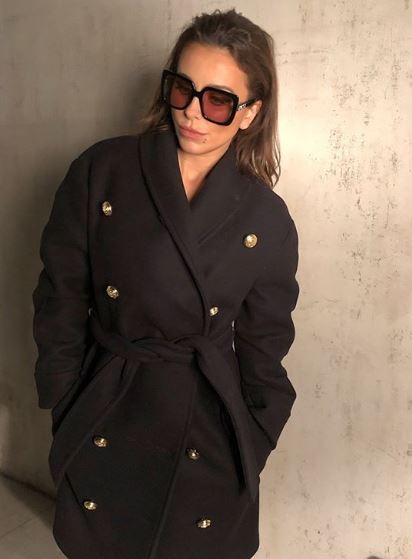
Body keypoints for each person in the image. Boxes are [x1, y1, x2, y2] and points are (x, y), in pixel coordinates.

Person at [32, 8, 299, 559]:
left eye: (218, 100)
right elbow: (61, 296)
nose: (192, 112)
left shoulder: (267, 218)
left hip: (208, 421)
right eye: (182, 88)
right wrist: (64, 398)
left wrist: (255, 435)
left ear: (250, 113)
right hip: (109, 402)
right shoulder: (101, 170)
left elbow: (265, 346)